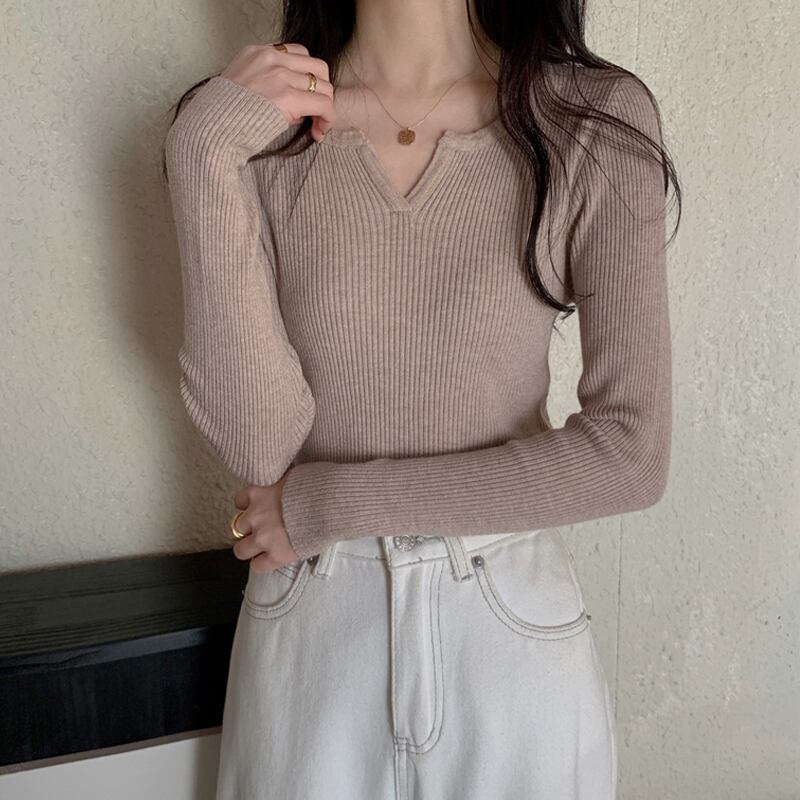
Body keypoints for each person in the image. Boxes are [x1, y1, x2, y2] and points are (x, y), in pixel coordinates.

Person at [163, 1, 679, 797]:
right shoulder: (252, 127)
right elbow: (260, 446)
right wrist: (203, 150)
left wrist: (332, 503)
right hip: (312, 634)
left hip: (506, 640)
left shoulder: (586, 121)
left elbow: (630, 454)